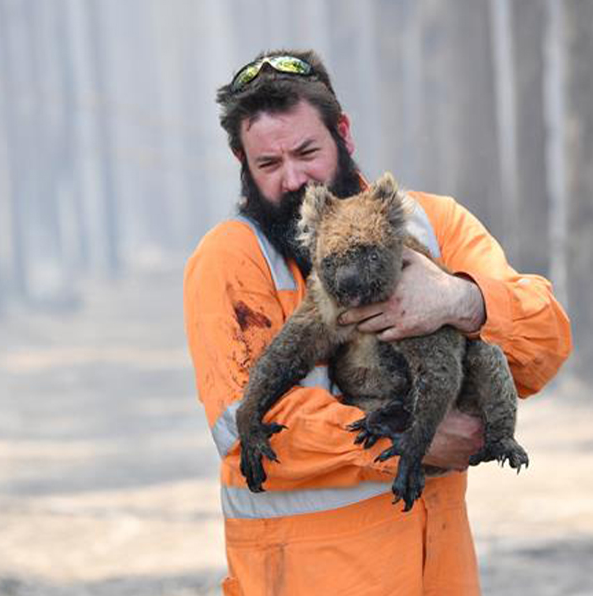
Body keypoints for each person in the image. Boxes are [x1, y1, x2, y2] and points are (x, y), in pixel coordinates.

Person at [183, 49, 572, 595]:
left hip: (439, 577)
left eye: (306, 152)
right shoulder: (232, 258)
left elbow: (545, 340)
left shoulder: (432, 224)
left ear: (342, 133)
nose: (294, 179)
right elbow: (242, 420)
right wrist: (410, 440)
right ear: (242, 163)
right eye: (268, 165)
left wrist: (460, 300)